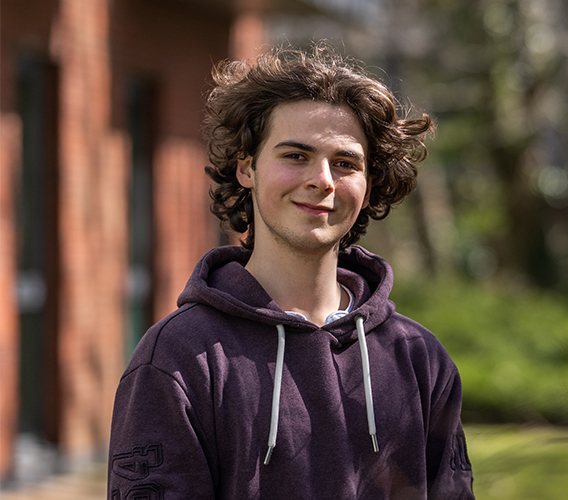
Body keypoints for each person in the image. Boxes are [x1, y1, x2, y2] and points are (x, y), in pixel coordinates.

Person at [107, 43, 474, 499]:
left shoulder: (419, 358)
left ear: (368, 183)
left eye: (345, 163)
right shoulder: (179, 358)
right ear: (247, 168)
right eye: (296, 155)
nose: (322, 179)